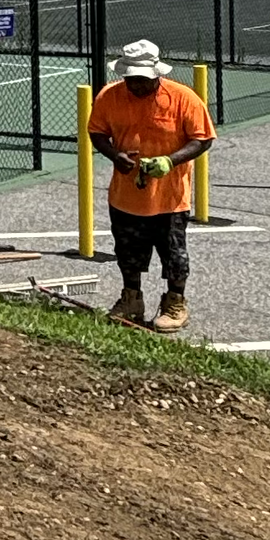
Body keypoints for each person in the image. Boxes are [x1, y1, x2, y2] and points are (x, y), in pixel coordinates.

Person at [87, 38, 215, 331]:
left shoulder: (184, 98)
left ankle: (175, 302)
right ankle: (131, 299)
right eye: (131, 78)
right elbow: (96, 131)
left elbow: (203, 138)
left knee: (174, 255)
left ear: (157, 73)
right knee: (127, 253)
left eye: (143, 79)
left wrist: (171, 160)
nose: (136, 85)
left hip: (169, 199)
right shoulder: (110, 96)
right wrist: (114, 155)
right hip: (125, 196)